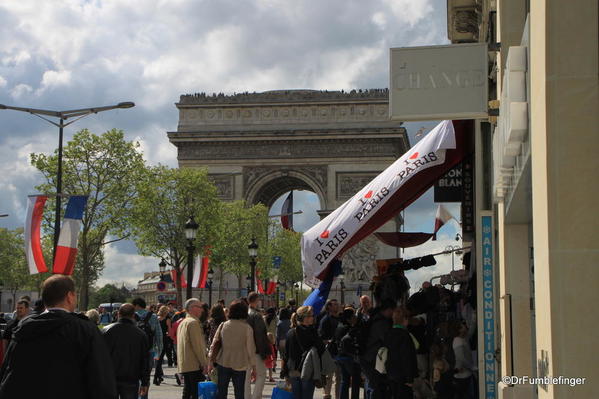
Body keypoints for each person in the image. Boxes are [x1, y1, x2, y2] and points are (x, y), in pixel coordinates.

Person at [0, 275, 116, 398]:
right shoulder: (85, 330)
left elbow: (8, 373)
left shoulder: (24, 328)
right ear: (70, 297)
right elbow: (101, 379)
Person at [102, 303, 151, 399]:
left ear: (118, 314)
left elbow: (99, 356)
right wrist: (145, 382)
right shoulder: (141, 334)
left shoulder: (106, 331)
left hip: (110, 377)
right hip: (131, 378)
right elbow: (145, 360)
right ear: (133, 315)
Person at [210, 299, 256, 399]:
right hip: (240, 363)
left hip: (223, 362)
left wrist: (210, 360)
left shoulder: (223, 325)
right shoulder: (247, 328)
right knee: (239, 393)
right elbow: (250, 349)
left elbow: (214, 343)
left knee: (221, 392)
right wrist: (253, 367)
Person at [283, 305, 325, 399]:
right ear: (304, 318)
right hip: (308, 371)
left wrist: (285, 372)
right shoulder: (312, 332)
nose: (313, 318)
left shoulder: (290, 332)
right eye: (311, 315)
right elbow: (321, 349)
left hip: (293, 370)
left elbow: (286, 354)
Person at [359, 299, 395, 399]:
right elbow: (387, 339)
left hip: (367, 356)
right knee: (374, 387)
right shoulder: (381, 322)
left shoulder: (373, 317)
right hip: (372, 358)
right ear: (388, 310)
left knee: (370, 384)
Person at [177, 298, 208, 399]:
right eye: (200, 307)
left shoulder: (183, 322)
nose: (202, 310)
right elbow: (197, 346)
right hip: (194, 365)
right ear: (192, 308)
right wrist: (204, 363)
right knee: (195, 393)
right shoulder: (193, 323)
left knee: (187, 392)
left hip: (185, 364)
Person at [384, 307, 418, 399]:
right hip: (403, 375)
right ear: (405, 319)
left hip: (391, 372)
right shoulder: (405, 336)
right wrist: (410, 378)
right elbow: (407, 357)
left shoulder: (388, 333)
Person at [132, 297, 163, 399]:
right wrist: (159, 351)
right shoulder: (153, 317)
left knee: (134, 377)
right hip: (149, 351)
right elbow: (159, 336)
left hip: (134, 352)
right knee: (146, 377)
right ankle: (144, 396)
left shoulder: (132, 316)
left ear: (136, 305)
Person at [245, 292, 271, 399]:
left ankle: (246, 397)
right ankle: (256, 396)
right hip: (256, 350)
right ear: (256, 300)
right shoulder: (256, 315)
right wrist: (264, 352)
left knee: (246, 376)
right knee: (261, 374)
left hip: (244, 350)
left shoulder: (243, 314)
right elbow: (260, 335)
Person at [334, 308, 361, 399]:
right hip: (349, 357)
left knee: (344, 380)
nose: (355, 317)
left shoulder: (339, 326)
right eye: (353, 316)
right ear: (349, 318)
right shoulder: (348, 328)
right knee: (355, 380)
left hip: (340, 357)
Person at [319, 299, 340, 399]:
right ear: (329, 307)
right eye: (334, 305)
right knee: (328, 377)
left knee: (339, 378)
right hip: (329, 352)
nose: (337, 306)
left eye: (337, 304)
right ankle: (326, 395)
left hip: (340, 352)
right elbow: (321, 337)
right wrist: (328, 341)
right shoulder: (325, 320)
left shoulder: (341, 318)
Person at [452, 320, 474, 399]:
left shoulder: (463, 338)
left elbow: (471, 330)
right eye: (463, 325)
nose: (465, 326)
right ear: (459, 329)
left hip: (466, 373)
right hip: (463, 375)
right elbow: (462, 359)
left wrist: (474, 318)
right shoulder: (458, 342)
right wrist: (472, 367)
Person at [154, 305, 174, 385]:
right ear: (166, 312)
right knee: (160, 359)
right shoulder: (167, 319)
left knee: (157, 358)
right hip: (164, 340)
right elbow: (169, 331)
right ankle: (156, 377)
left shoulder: (156, 318)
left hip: (156, 340)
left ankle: (159, 376)